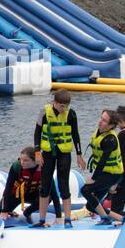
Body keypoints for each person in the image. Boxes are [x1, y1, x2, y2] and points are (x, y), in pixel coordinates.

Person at [34, 89, 81, 227]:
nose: (64, 108)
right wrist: (37, 151)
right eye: (61, 105)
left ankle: (67, 219)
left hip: (64, 153)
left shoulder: (71, 114)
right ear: (55, 102)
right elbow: (37, 132)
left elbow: (75, 135)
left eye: (66, 105)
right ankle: (41, 220)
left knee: (63, 185)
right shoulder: (44, 112)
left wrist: (79, 155)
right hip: (48, 153)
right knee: (45, 186)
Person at [80, 109, 124, 225]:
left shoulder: (110, 140)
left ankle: (105, 219)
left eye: (104, 120)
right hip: (105, 173)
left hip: (113, 174)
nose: (100, 121)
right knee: (91, 206)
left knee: (85, 190)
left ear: (111, 126)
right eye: (101, 118)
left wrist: (93, 178)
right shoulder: (99, 131)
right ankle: (122, 219)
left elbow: (102, 162)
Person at [0, 147, 42, 223]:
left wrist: (58, 216)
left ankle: (28, 212)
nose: (22, 163)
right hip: (16, 195)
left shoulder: (43, 167)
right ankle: (9, 211)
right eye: (21, 159)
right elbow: (8, 189)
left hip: (33, 195)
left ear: (34, 160)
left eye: (25, 160)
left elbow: (52, 192)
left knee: (47, 196)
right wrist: (4, 210)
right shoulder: (16, 167)